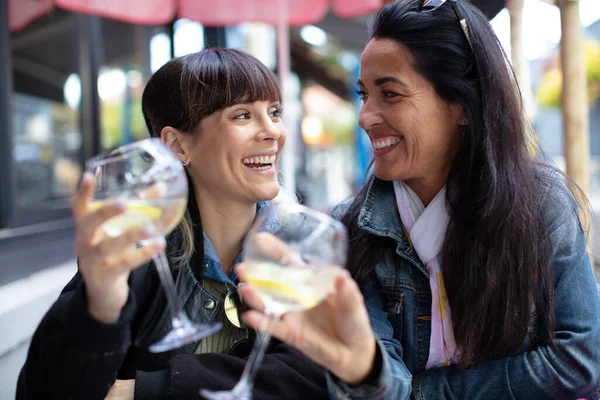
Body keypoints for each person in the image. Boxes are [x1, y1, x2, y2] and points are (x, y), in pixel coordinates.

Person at [238, 0, 600, 399]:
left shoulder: (540, 205)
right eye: (363, 95)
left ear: (461, 103)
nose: (365, 116)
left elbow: (581, 359)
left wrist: (424, 392)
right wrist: (365, 368)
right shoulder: (349, 230)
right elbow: (386, 384)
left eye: (389, 94)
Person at [17, 48, 329, 400]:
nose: (273, 131)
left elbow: (320, 376)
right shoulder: (137, 255)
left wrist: (149, 391)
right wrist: (100, 309)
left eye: (274, 112)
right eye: (243, 115)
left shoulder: (304, 244)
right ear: (177, 145)